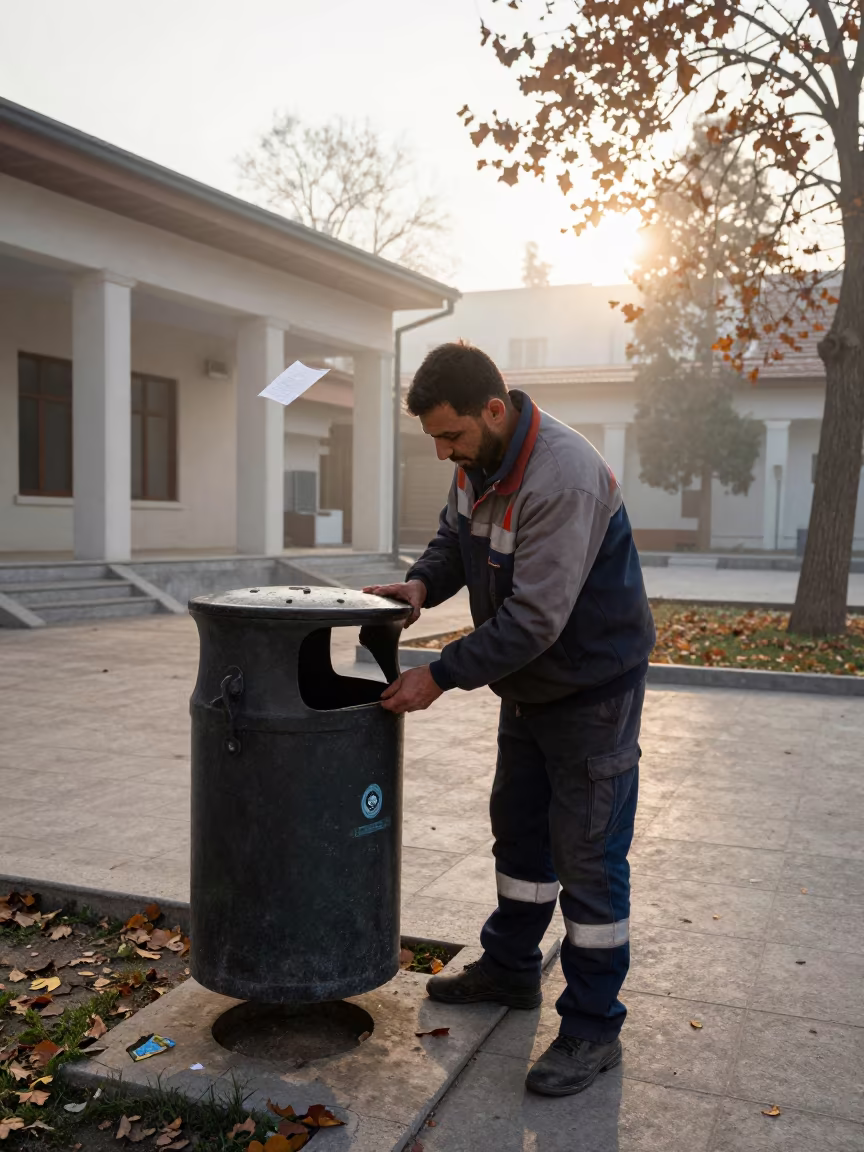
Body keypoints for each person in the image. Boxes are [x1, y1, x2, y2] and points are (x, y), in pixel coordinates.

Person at [365, 341, 655, 1098]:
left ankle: (593, 1029)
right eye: (433, 439)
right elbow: (455, 539)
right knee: (520, 834)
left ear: (493, 410)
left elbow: (534, 618)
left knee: (588, 859)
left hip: (591, 687)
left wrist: (440, 674)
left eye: (451, 436)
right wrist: (422, 585)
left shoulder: (563, 475)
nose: (443, 453)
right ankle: (511, 968)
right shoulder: (480, 463)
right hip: (530, 688)